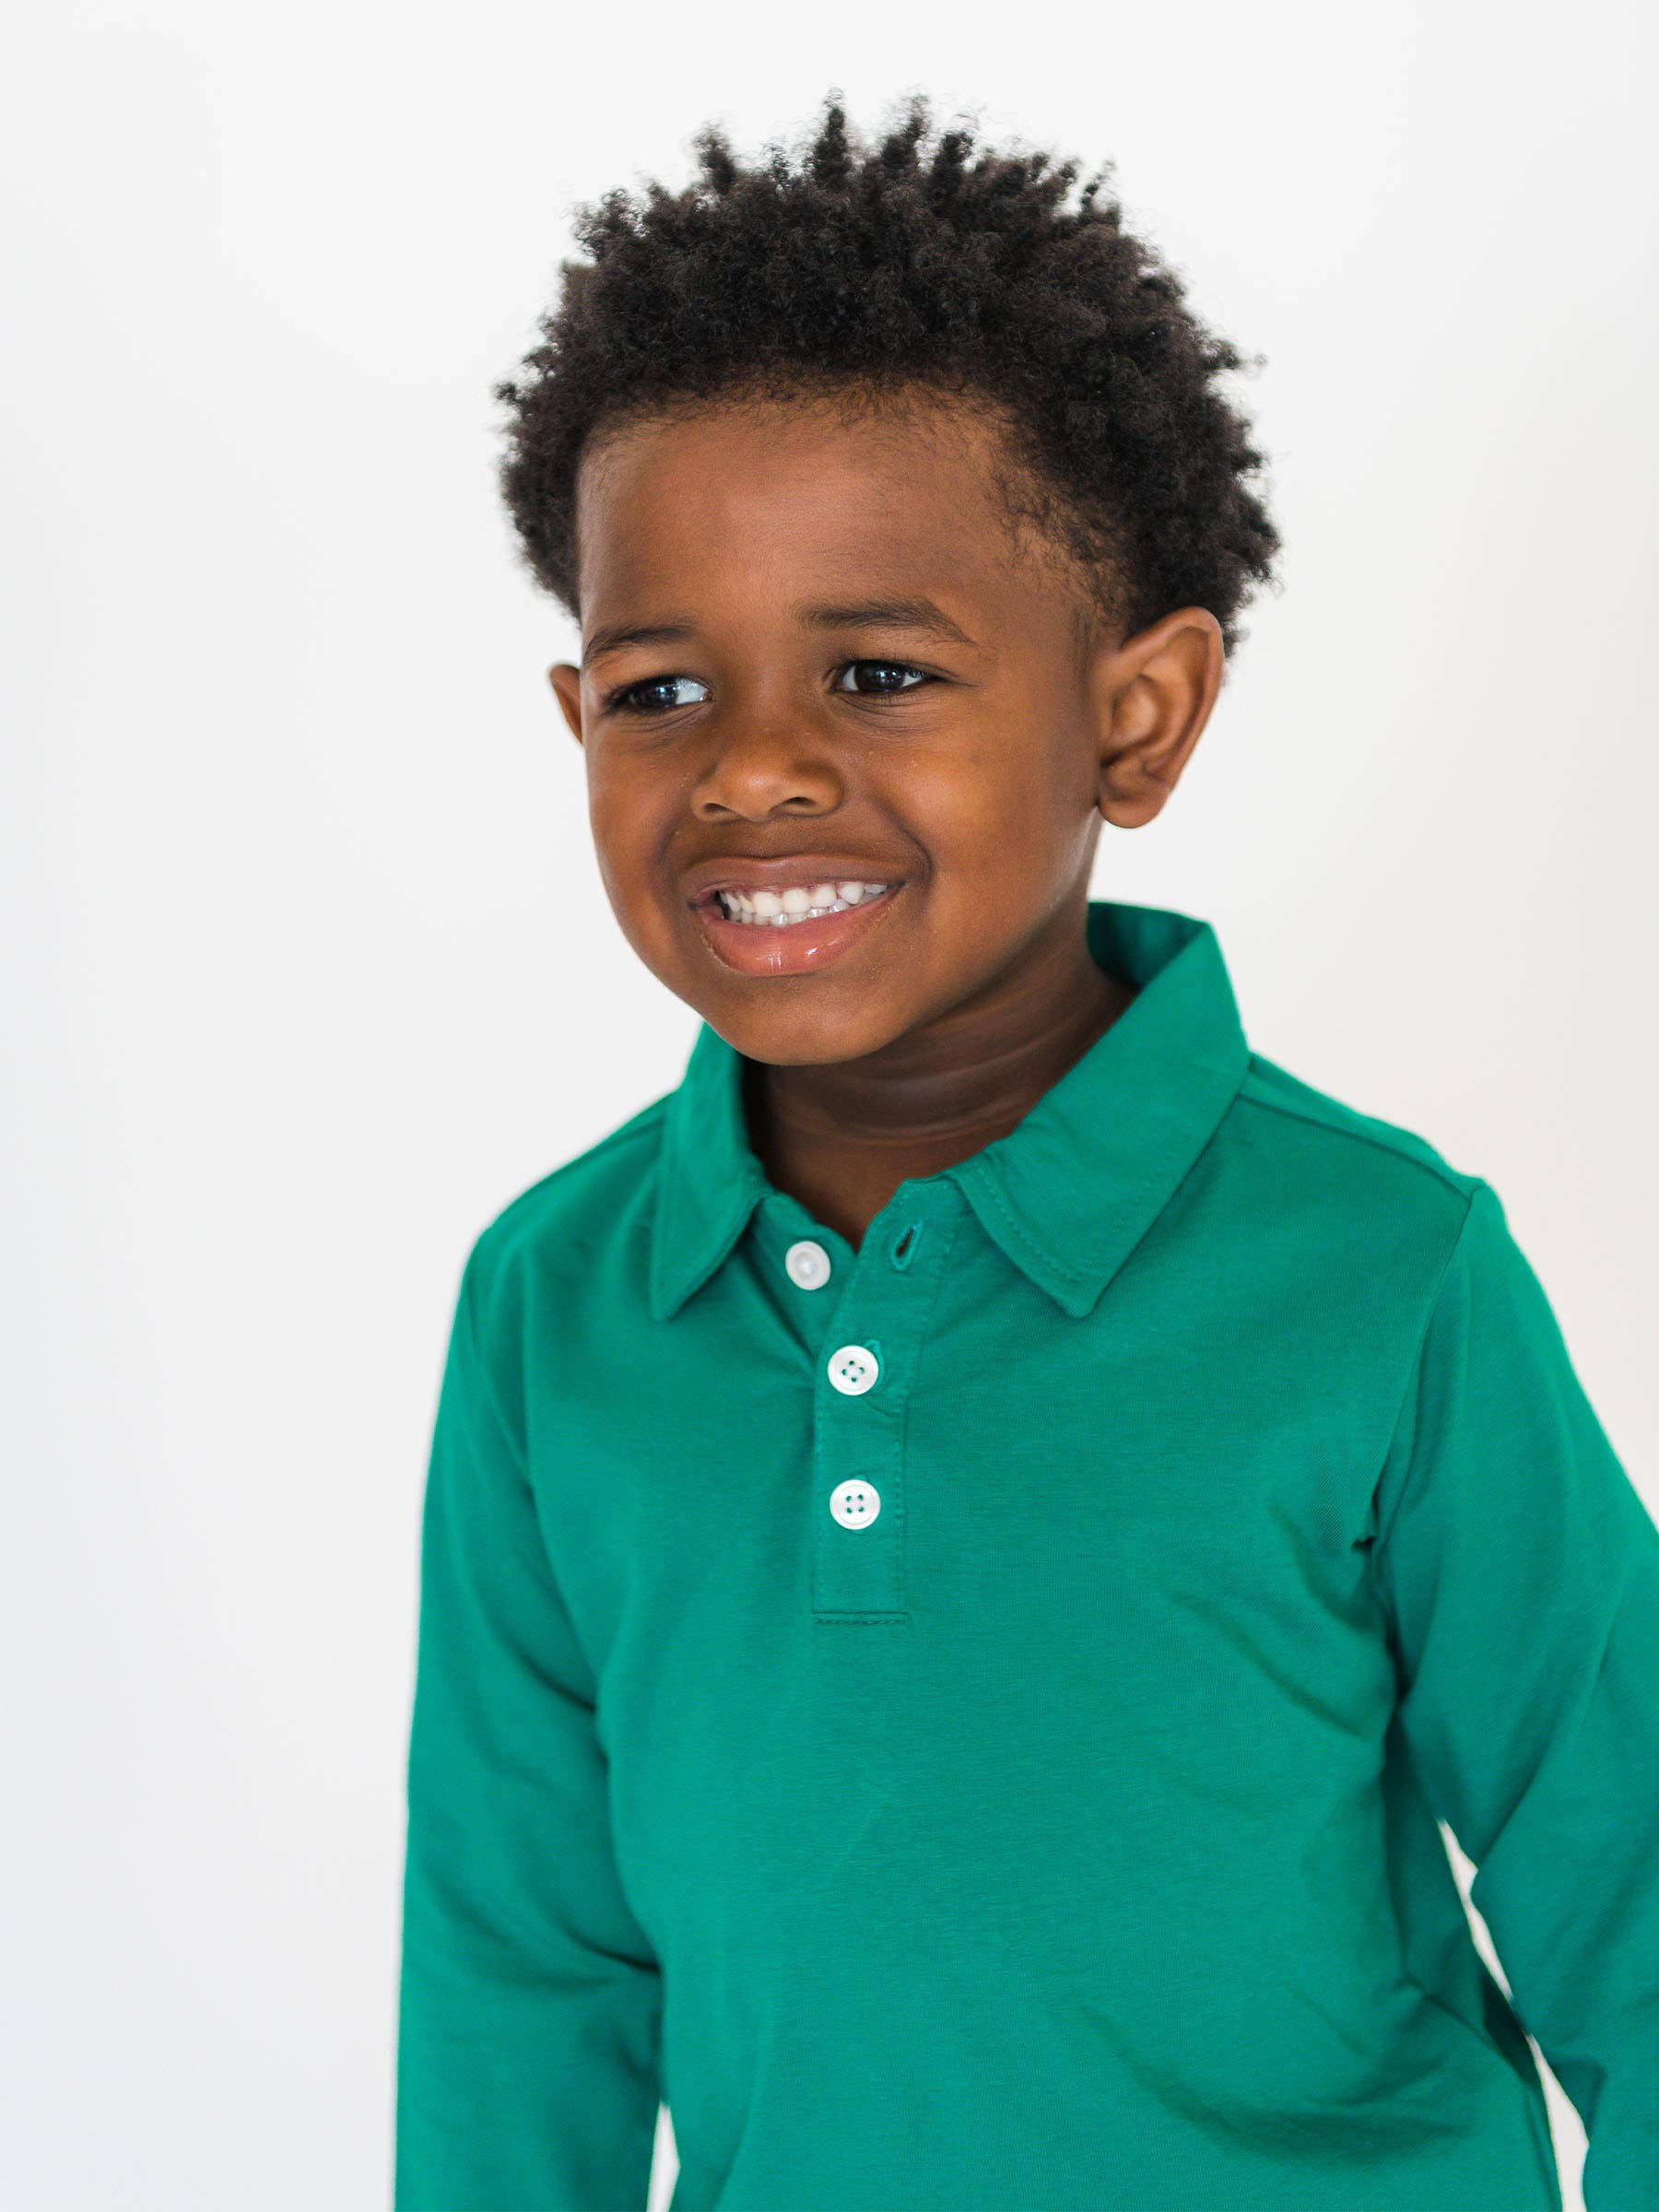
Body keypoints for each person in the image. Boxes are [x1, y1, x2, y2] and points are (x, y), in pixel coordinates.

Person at [393, 90, 1658, 2212]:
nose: (756, 774)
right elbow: (524, 1973)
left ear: (1135, 720)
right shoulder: (551, 1304)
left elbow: (1632, 1881)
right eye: (660, 691)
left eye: (878, 673)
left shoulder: (1387, 1269)